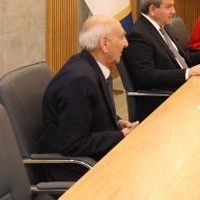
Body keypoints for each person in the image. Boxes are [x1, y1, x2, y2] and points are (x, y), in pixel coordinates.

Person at [42, 15, 138, 180]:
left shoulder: (88, 65)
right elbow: (74, 144)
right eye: (122, 36)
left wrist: (116, 121)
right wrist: (121, 135)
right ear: (104, 44)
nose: (126, 43)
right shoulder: (79, 81)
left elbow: (89, 111)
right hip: (77, 170)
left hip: (93, 159)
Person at [121, 0, 200, 118]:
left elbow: (182, 59)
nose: (174, 11)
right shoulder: (138, 35)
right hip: (167, 99)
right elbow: (146, 76)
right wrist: (187, 73)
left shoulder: (163, 26)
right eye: (169, 7)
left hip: (186, 86)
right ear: (152, 9)